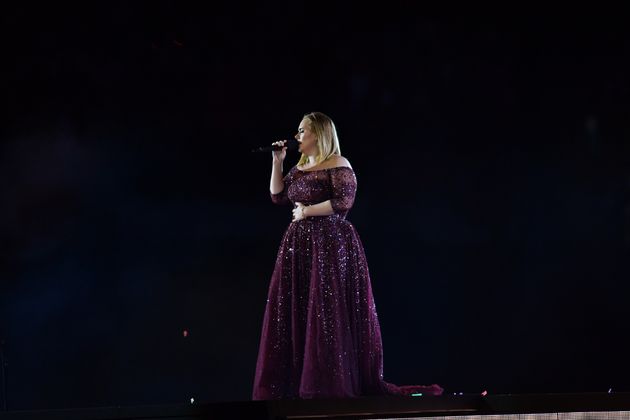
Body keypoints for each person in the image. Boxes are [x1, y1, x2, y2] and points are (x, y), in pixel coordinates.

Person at [252, 112, 443, 399]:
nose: (297, 136)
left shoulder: (339, 164)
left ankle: (328, 386)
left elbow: (343, 201)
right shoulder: (301, 167)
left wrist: (306, 211)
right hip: (300, 247)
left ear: (319, 134)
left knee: (327, 311)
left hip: (329, 244)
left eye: (302, 131)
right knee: (301, 309)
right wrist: (277, 162)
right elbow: (278, 195)